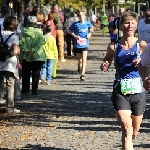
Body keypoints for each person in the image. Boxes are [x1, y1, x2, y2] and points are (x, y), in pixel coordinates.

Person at [100, 11, 147, 149]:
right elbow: (106, 60)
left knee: (135, 130)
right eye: (126, 22)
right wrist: (105, 64)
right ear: (121, 26)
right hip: (120, 91)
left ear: (136, 26)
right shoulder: (113, 46)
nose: (130, 26)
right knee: (127, 128)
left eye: (133, 23)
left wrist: (142, 62)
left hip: (139, 92)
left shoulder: (142, 45)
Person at [19, 14, 46, 95]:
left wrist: (26, 50)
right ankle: (34, 90)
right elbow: (40, 43)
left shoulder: (22, 31)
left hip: (25, 55)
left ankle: (25, 89)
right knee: (36, 74)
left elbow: (20, 42)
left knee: (25, 73)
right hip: (38, 55)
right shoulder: (39, 32)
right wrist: (32, 50)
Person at [0, 16, 20, 113]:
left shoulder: (0, 33)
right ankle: (10, 107)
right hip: (9, 62)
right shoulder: (14, 36)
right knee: (10, 84)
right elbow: (15, 50)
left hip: (0, 60)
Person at [69, 9, 93, 81]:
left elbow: (91, 28)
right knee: (80, 60)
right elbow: (70, 31)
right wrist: (75, 36)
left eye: (82, 15)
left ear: (85, 16)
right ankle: (79, 65)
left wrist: (89, 34)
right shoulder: (75, 24)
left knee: (84, 59)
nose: (81, 17)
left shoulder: (87, 23)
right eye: (79, 15)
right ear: (78, 16)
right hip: (78, 44)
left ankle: (82, 75)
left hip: (85, 44)